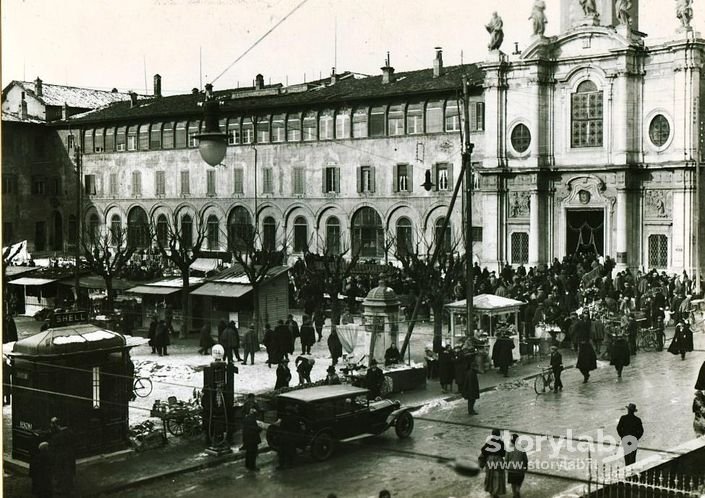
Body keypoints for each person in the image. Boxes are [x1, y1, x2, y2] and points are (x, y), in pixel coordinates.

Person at [48, 417, 76, 497]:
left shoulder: (56, 437)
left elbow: (52, 449)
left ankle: (61, 490)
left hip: (60, 459)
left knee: (60, 475)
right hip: (70, 457)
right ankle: (69, 489)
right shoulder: (71, 433)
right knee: (69, 474)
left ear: (58, 425)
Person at [480, 429, 506, 498]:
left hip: (490, 459)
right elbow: (503, 454)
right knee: (497, 476)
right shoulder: (501, 442)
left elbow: (483, 450)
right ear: (499, 435)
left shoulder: (489, 442)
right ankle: (496, 492)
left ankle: (491, 491)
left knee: (490, 475)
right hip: (498, 460)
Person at [574, 310, 597, 383]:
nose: (585, 315)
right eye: (584, 314)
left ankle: (586, 375)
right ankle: (586, 374)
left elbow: (591, 332)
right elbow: (575, 330)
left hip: (587, 344)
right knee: (581, 363)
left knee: (588, 361)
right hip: (581, 344)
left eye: (587, 314)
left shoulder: (590, 323)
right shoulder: (579, 323)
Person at [506, 434, 528, 498]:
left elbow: (506, 460)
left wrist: (506, 467)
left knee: (513, 483)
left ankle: (514, 494)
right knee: (519, 482)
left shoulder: (509, 449)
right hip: (520, 469)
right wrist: (525, 467)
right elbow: (525, 460)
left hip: (511, 469)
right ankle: (517, 490)